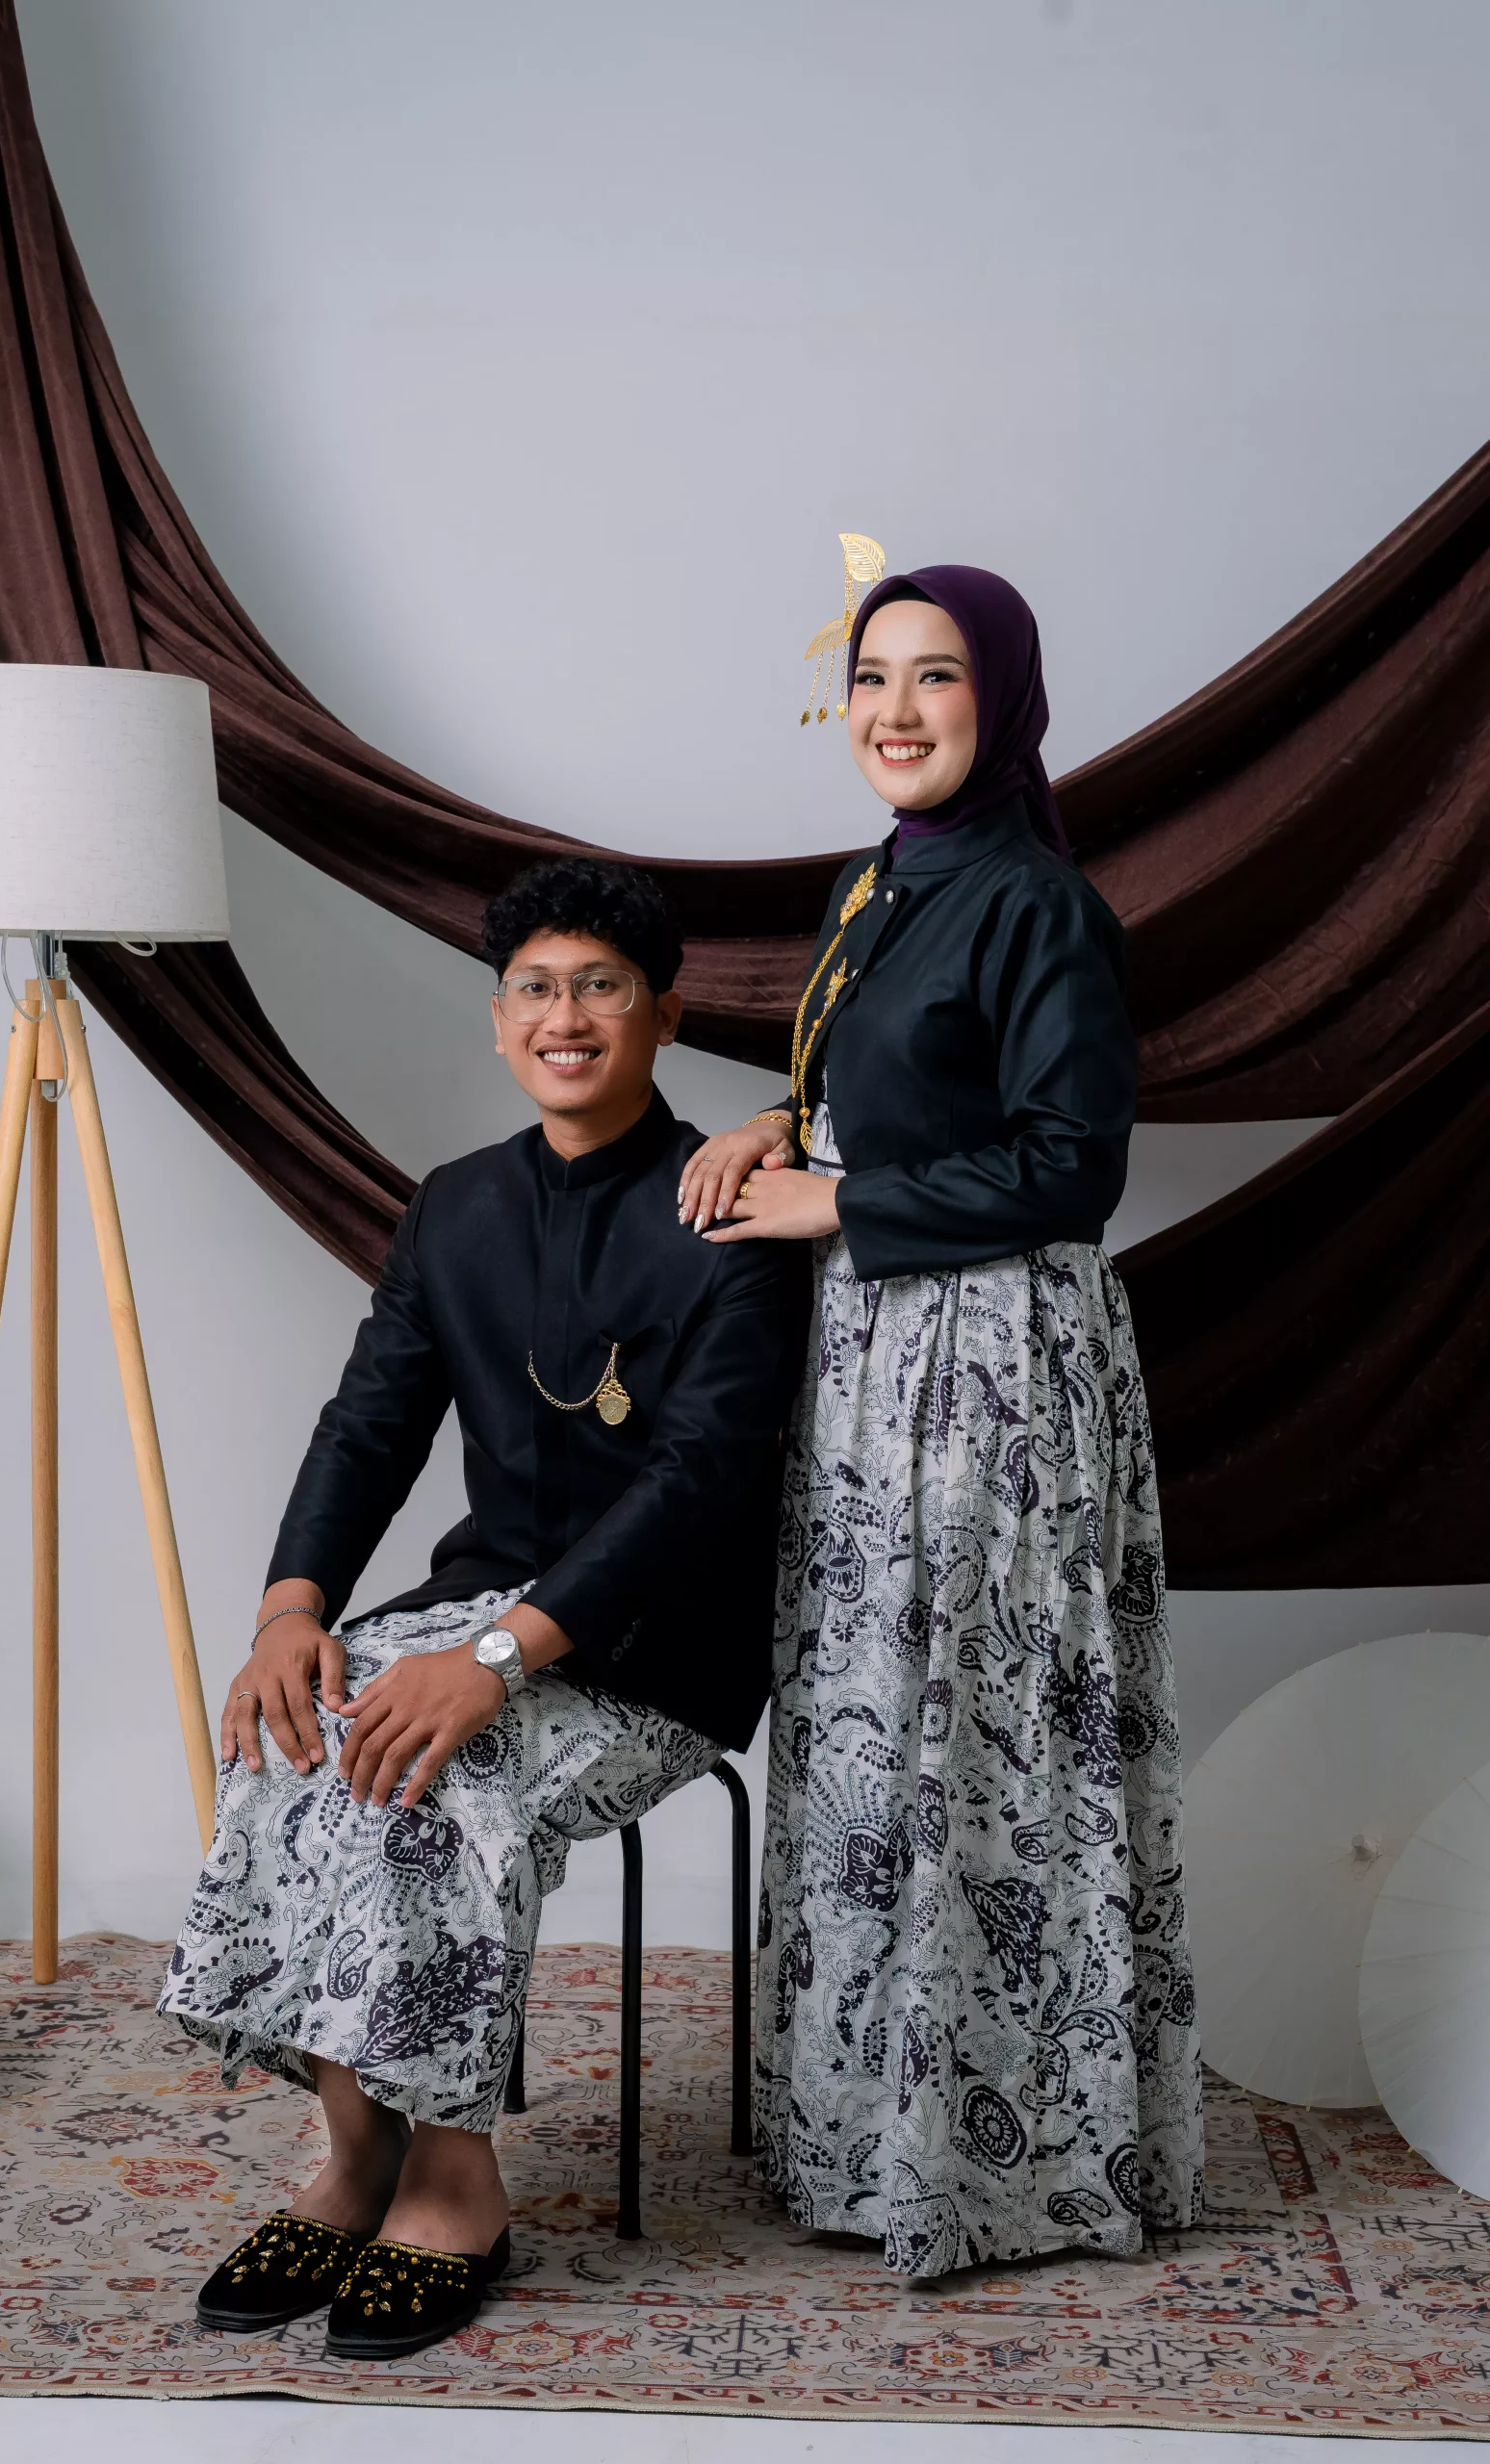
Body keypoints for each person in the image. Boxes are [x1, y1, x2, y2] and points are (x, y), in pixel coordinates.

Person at [162, 858, 806, 2358]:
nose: (563, 1017)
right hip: (477, 1604)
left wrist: (494, 1663)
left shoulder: (735, 1212)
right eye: (535, 988)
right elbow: (368, 1424)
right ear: (499, 1017)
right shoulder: (454, 1204)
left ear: (661, 1016)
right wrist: (287, 1611)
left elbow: (697, 1483)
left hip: (659, 1647)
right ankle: (354, 2155)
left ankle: (454, 2184)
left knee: (434, 1777)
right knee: (296, 1729)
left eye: (600, 988)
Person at [677, 561, 1204, 2278]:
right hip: (871, 1358)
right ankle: (867, 2137)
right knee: (874, 1729)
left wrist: (836, 1200)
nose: (895, 712)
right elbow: (897, 1084)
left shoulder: (1040, 903)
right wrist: (775, 1128)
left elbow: (1072, 1167)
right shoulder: (874, 881)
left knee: (976, 1735)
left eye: (937, 677)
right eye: (872, 677)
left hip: (991, 1367)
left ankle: (1012, 2166)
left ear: (1005, 701)